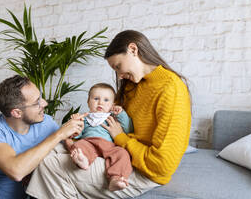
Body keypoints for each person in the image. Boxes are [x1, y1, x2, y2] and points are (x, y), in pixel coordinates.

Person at [26, 30, 192, 198]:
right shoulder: (132, 84)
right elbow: (105, 119)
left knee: (51, 165)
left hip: (140, 169)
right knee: (52, 149)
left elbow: (162, 165)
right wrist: (79, 129)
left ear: (133, 50)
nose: (119, 76)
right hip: (115, 149)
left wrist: (121, 138)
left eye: (118, 66)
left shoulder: (171, 88)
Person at [0, 75, 85, 199]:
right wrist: (59, 134)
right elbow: (16, 171)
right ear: (17, 113)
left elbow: (65, 151)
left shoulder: (46, 122)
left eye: (41, 97)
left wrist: (73, 135)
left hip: (33, 195)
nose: (44, 103)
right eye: (37, 102)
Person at [65, 83, 133, 191]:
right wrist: (76, 122)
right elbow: (78, 135)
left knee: (122, 153)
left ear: (112, 105)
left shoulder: (112, 118)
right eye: (96, 98)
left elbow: (128, 129)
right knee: (78, 145)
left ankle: (116, 178)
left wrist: (121, 114)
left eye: (106, 100)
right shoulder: (85, 118)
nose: (100, 102)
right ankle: (83, 160)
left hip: (109, 145)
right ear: (88, 102)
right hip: (89, 142)